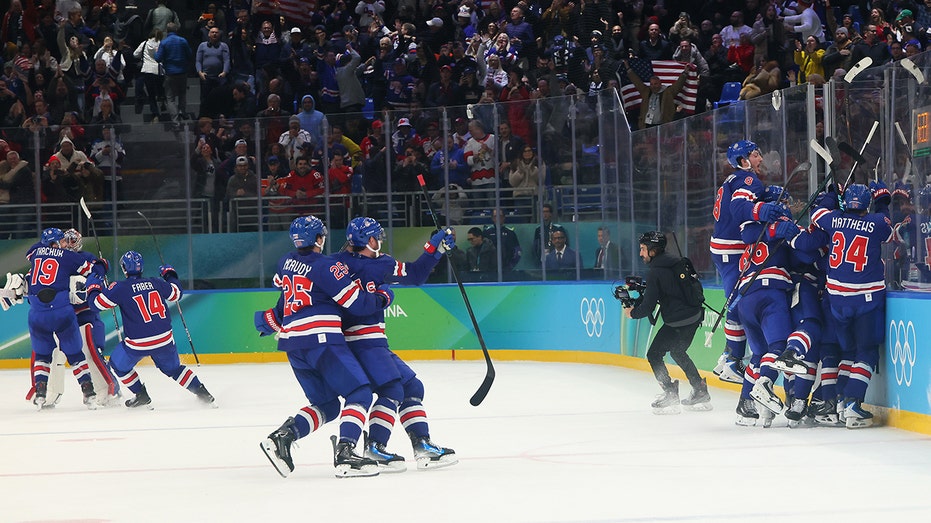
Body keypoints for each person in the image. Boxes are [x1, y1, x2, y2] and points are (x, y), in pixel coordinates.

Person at [256, 216, 393, 478]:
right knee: (360, 392)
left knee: (327, 404)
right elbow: (358, 304)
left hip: (293, 343)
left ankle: (282, 437)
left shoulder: (285, 261)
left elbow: (284, 291)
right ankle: (345, 453)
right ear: (320, 238)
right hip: (321, 339)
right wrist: (384, 296)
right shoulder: (327, 266)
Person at [332, 217, 459, 471]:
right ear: (369, 240)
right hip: (365, 341)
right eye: (377, 236)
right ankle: (376, 447)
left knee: (411, 386)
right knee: (393, 390)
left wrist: (436, 250)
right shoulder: (380, 264)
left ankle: (421, 444)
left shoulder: (335, 264)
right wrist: (434, 249)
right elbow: (415, 275)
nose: (380, 239)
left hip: (359, 342)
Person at [802, 182, 895, 428]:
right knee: (866, 352)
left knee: (848, 352)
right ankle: (852, 403)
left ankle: (840, 401)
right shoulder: (875, 222)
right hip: (866, 300)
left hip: (838, 302)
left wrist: (832, 195)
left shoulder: (834, 219)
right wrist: (883, 199)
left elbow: (817, 214)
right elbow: (887, 225)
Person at [85, 251, 216, 409]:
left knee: (118, 365)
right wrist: (170, 274)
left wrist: (93, 285)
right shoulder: (156, 282)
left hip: (138, 343)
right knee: (174, 369)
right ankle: (203, 393)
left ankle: (141, 395)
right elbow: (177, 294)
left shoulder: (120, 288)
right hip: (165, 339)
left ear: (125, 269)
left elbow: (96, 304)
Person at [709, 140, 782, 384]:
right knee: (737, 303)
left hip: (722, 249)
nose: (760, 158)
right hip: (731, 251)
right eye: (755, 154)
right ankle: (731, 359)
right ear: (743, 161)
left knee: (736, 302)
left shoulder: (732, 180)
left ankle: (729, 357)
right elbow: (739, 207)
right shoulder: (748, 179)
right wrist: (761, 211)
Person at [624, 232, 709, 414]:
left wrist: (632, 313)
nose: (641, 254)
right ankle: (700, 389)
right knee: (678, 351)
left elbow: (647, 307)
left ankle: (670, 393)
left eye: (643, 249)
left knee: (654, 354)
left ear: (653, 251)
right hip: (694, 316)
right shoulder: (677, 262)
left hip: (678, 321)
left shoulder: (655, 272)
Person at [22, 227, 106, 409]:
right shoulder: (69, 257)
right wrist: (102, 265)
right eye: (62, 240)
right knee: (76, 353)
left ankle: (41, 392)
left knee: (42, 355)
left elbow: (34, 258)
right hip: (62, 311)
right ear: (55, 243)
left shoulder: (35, 252)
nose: (66, 244)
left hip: (37, 313)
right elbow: (94, 270)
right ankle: (88, 390)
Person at [155, 22, 193, 123]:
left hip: (170, 73)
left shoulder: (164, 42)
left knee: (170, 98)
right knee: (182, 94)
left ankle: (175, 121)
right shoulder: (183, 40)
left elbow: (158, 58)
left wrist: (156, 51)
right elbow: (189, 55)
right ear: (176, 30)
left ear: (167, 31)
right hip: (182, 72)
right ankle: (183, 112)